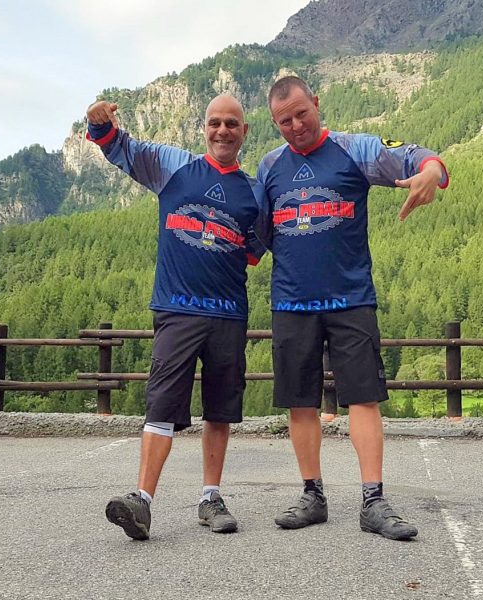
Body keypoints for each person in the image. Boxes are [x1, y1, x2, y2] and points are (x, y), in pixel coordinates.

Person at [256, 76, 449, 541]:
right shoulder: (269, 167)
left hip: (351, 299)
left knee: (363, 398)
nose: (296, 125)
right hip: (291, 303)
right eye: (285, 121)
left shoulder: (353, 149)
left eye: (302, 113)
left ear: (316, 102)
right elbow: (254, 234)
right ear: (274, 123)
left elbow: (419, 157)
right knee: (300, 403)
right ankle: (312, 496)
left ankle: (373, 501)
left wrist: (432, 170)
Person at [86, 95, 268, 540]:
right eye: (215, 122)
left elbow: (252, 252)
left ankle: (211, 498)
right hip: (177, 310)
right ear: (204, 127)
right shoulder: (174, 166)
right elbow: (120, 147)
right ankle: (142, 502)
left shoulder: (256, 193)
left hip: (228, 314)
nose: (222, 130)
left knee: (220, 410)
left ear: (244, 131)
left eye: (232, 124)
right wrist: (98, 124)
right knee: (162, 404)